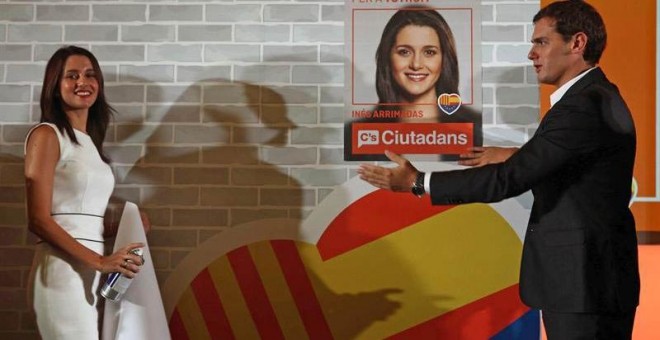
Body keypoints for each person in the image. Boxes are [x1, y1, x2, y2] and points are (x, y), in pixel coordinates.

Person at [358, 1, 639, 338]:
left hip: (582, 283)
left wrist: (418, 181)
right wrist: (518, 154)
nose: (531, 54)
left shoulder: (581, 107)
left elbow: (506, 181)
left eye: (541, 42)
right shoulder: (595, 96)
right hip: (592, 280)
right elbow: (578, 162)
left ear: (577, 43)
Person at [24, 45, 146, 339]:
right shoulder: (46, 134)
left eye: (90, 75)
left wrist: (126, 228)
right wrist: (101, 262)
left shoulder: (88, 143)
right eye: (72, 75)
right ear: (55, 87)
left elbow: (81, 221)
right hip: (61, 273)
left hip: (91, 273)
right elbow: (38, 220)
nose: (83, 82)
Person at [345, 5, 481, 160]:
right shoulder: (355, 134)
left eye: (429, 52)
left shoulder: (476, 129)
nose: (416, 64)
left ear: (444, 59)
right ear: (387, 58)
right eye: (404, 52)